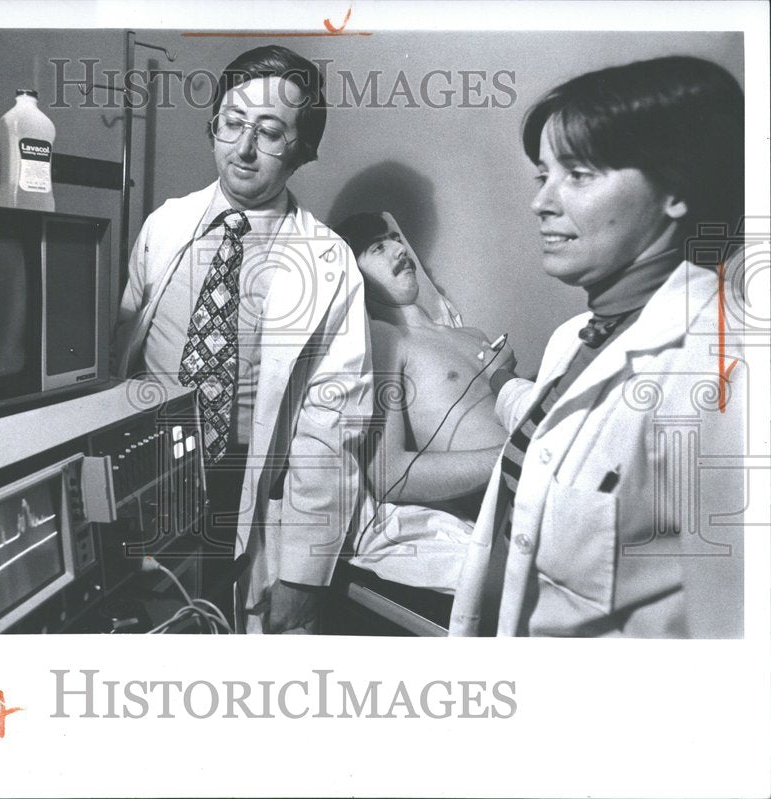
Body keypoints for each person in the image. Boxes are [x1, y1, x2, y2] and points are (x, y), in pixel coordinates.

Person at [450, 56, 746, 638]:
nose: (541, 202)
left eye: (579, 174)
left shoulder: (722, 371)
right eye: (543, 176)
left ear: (677, 191)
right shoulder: (576, 337)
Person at [115, 46, 372, 633]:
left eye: (270, 131)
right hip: (148, 472)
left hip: (242, 486)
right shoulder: (165, 225)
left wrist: (303, 577)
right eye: (232, 123)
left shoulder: (328, 262)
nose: (243, 148)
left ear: (302, 149)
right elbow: (120, 347)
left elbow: (332, 429)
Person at [335, 211, 519, 589]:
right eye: (377, 248)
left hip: (547, 472)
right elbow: (390, 475)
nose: (399, 249)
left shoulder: (472, 334)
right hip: (512, 502)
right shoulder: (384, 343)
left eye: (395, 239)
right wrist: (514, 460)